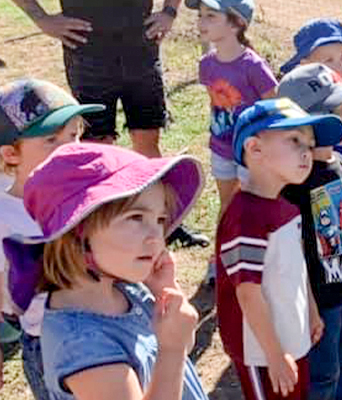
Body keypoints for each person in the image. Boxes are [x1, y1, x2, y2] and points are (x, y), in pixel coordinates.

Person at [3, 142, 206, 400]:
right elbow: (174, 350)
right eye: (136, 218)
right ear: (77, 232)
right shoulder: (81, 343)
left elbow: (181, 349)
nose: (156, 237)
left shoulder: (127, 290)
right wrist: (172, 350)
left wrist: (166, 292)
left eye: (160, 220)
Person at [12, 0, 211, 248]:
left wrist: (170, 11)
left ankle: (163, 224)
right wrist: (40, 18)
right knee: (97, 148)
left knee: (147, 141)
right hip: (88, 54)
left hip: (140, 50)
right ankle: (98, 228)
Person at [215, 99, 342, 399]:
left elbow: (297, 268)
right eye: (294, 140)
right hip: (261, 349)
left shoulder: (287, 208)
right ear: (255, 149)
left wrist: (310, 310)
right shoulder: (244, 217)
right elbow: (247, 292)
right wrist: (273, 354)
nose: (306, 153)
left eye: (309, 145)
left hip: (291, 335)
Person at [277, 63, 342, 400]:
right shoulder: (291, 182)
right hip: (321, 299)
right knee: (322, 375)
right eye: (341, 110)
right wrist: (306, 305)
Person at [0, 79, 103, 400]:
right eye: (50, 140)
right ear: (10, 154)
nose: (70, 148)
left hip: (109, 322)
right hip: (51, 344)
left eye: (73, 135)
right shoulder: (5, 216)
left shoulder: (93, 192)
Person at [189, 0, 276, 215]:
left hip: (251, 150)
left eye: (211, 16)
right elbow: (215, 103)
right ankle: (223, 247)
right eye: (200, 15)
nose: (201, 22)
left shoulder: (253, 66)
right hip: (221, 146)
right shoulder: (206, 64)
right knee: (227, 204)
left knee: (252, 206)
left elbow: (274, 107)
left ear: (235, 24)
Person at [281, 18, 342, 205]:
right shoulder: (304, 105)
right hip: (315, 183)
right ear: (305, 66)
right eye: (329, 60)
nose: (340, 65)